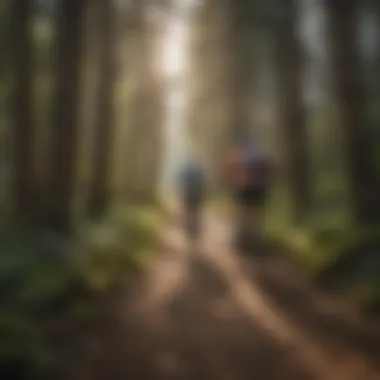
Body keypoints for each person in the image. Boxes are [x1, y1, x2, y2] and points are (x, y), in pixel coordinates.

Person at [224, 136, 272, 250]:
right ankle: (256, 239)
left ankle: (242, 238)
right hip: (260, 190)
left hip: (244, 189)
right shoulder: (261, 156)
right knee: (256, 214)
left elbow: (231, 170)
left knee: (242, 212)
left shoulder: (240, 156)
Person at [177, 156, 206, 247]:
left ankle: (190, 231)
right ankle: (193, 231)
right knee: (195, 213)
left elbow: (181, 180)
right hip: (196, 195)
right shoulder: (199, 171)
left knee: (190, 212)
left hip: (189, 194)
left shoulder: (188, 170)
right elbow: (204, 184)